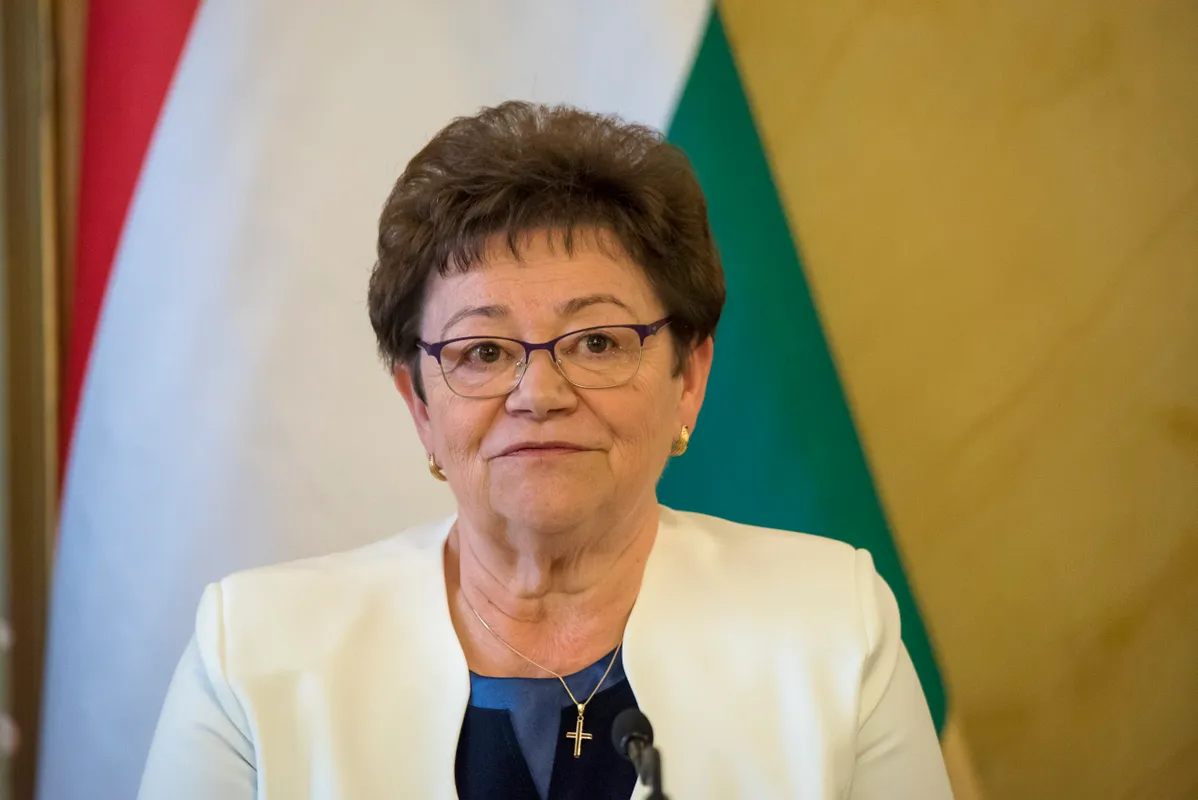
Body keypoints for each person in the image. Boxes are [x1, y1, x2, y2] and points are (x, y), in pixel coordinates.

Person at [139, 101, 953, 800]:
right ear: (419, 403)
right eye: (483, 352)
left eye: (597, 341)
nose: (539, 393)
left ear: (689, 378)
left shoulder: (833, 627)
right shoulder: (252, 654)